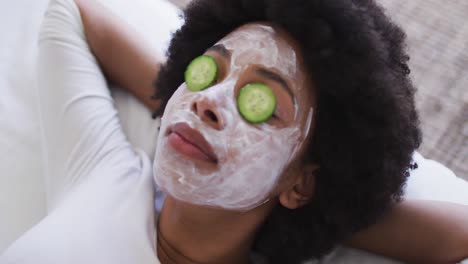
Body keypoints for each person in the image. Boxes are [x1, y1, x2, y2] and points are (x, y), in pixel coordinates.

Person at [1, 0, 468, 263]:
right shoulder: (103, 172)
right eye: (209, 70)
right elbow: (72, 15)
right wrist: (178, 102)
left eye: (261, 104)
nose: (210, 99)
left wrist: (328, 209)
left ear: (302, 181)